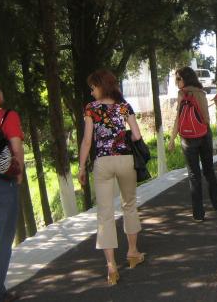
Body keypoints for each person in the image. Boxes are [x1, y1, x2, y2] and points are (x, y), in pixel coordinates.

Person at [78, 69, 145, 286]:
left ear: (101, 86)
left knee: (105, 214)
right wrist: (121, 135)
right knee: (130, 205)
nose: (91, 92)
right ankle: (133, 252)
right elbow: (137, 135)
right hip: (126, 160)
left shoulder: (91, 109)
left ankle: (111, 267)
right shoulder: (124, 106)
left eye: (93, 87)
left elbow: (87, 141)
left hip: (102, 163)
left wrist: (81, 167)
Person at [168, 67, 217, 221]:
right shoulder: (201, 93)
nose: (176, 82)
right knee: (209, 171)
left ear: (186, 78)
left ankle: (198, 214)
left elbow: (178, 119)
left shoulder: (181, 95)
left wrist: (172, 139)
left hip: (187, 138)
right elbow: (206, 119)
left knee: (194, 176)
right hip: (203, 135)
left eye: (178, 79)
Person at [0, 81, 24, 302]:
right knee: (3, 240)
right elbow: (17, 147)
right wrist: (18, 173)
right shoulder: (7, 116)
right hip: (3, 185)